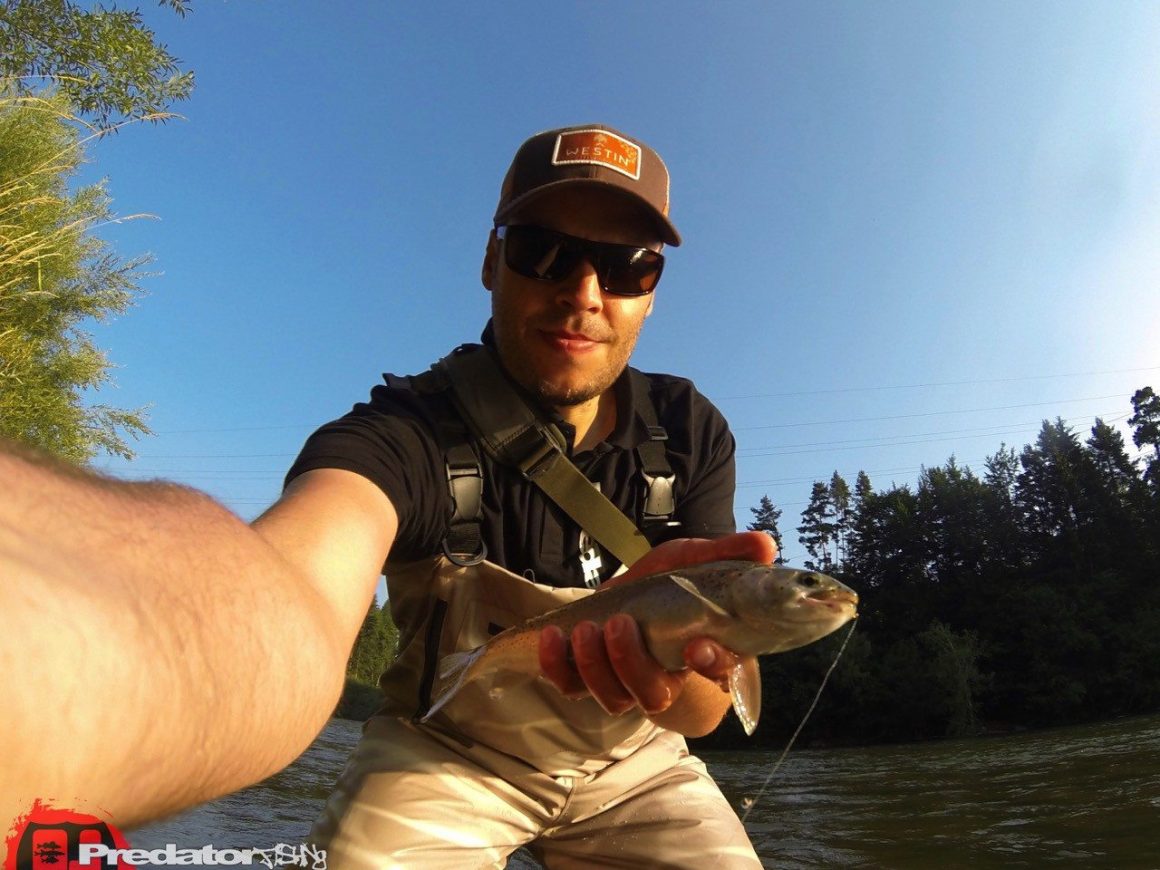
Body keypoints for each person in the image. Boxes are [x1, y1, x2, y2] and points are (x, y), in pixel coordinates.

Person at [0, 123, 773, 868]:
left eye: (627, 265)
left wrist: (667, 680)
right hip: (442, 752)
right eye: (545, 252)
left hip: (637, 767)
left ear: (652, 293)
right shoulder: (407, 429)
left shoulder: (690, 432)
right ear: (490, 262)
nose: (583, 293)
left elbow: (704, 714)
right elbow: (287, 589)